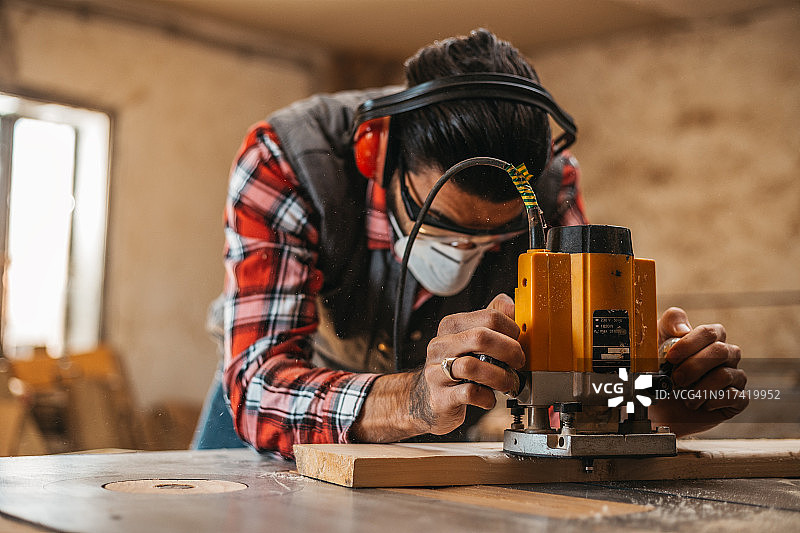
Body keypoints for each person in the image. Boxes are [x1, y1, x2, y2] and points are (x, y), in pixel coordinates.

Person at [194, 29, 747, 457]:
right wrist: (411, 400)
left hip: (449, 404)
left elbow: (563, 376)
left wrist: (645, 398)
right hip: (286, 407)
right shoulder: (289, 160)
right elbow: (258, 384)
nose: (464, 252)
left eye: (492, 236)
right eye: (441, 224)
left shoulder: (551, 185)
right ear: (375, 154)